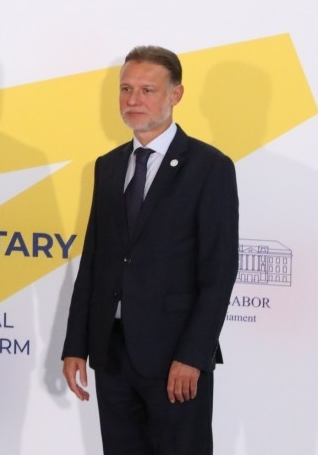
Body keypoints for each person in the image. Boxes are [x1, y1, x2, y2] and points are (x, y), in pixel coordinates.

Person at [61, 45, 239, 454]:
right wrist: (75, 346)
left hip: (175, 358)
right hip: (112, 354)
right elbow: (94, 263)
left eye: (147, 90)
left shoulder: (209, 167)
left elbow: (218, 272)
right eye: (126, 89)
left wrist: (193, 356)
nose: (133, 100)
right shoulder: (108, 166)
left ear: (176, 94)